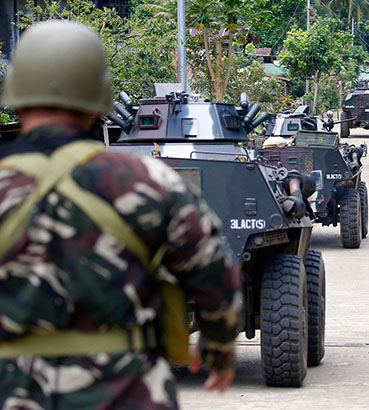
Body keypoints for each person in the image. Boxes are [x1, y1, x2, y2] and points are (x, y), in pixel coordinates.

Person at [0, 20, 241, 408]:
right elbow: (214, 272)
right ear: (99, 98)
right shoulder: (148, 181)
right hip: (126, 391)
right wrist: (219, 349)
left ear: (15, 95)